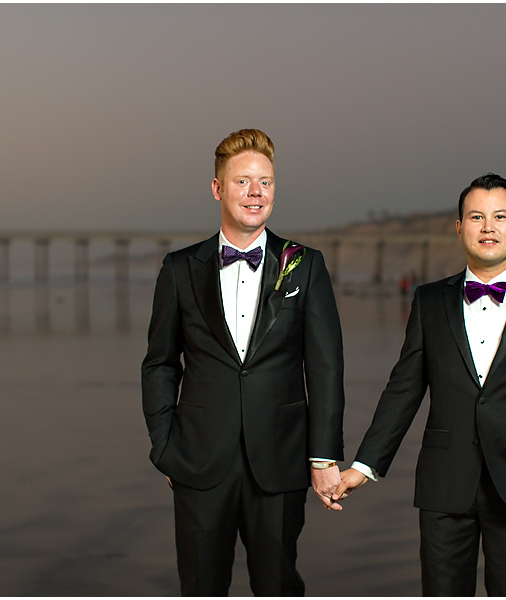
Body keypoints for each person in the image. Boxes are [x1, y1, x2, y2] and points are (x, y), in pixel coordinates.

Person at [334, 173, 506, 596]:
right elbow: (403, 390)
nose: (488, 227)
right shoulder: (429, 300)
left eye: (499, 217)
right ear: (459, 228)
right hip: (444, 485)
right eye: (476, 217)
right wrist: (364, 466)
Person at [141, 128, 345, 596]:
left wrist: (323, 456)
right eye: (242, 182)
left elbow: (326, 368)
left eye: (266, 182)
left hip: (280, 460)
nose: (256, 193)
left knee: (277, 585)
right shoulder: (179, 268)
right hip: (197, 460)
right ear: (217, 188)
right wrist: (164, 446)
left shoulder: (306, 265)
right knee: (200, 587)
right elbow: (160, 364)